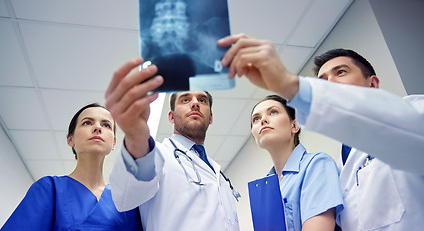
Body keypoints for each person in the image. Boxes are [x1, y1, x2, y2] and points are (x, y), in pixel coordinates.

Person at [218, 33, 424, 231]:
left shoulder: (415, 110)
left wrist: (290, 85)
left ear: (373, 83)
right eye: (322, 81)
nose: (331, 84)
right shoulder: (341, 169)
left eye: (340, 72)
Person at [104, 58, 239, 230]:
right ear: (171, 117)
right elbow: (125, 197)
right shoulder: (158, 154)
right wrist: (137, 139)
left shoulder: (218, 173)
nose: (195, 103)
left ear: (211, 117)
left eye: (202, 100)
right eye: (185, 99)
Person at [1, 103, 142, 231]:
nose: (98, 128)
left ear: (113, 144)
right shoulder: (50, 189)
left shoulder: (125, 202)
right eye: (87, 122)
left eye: (106, 125)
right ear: (70, 139)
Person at [250, 95, 343, 231]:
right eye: (256, 119)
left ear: (294, 126)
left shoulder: (317, 165)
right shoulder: (265, 188)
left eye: (273, 112)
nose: (263, 120)